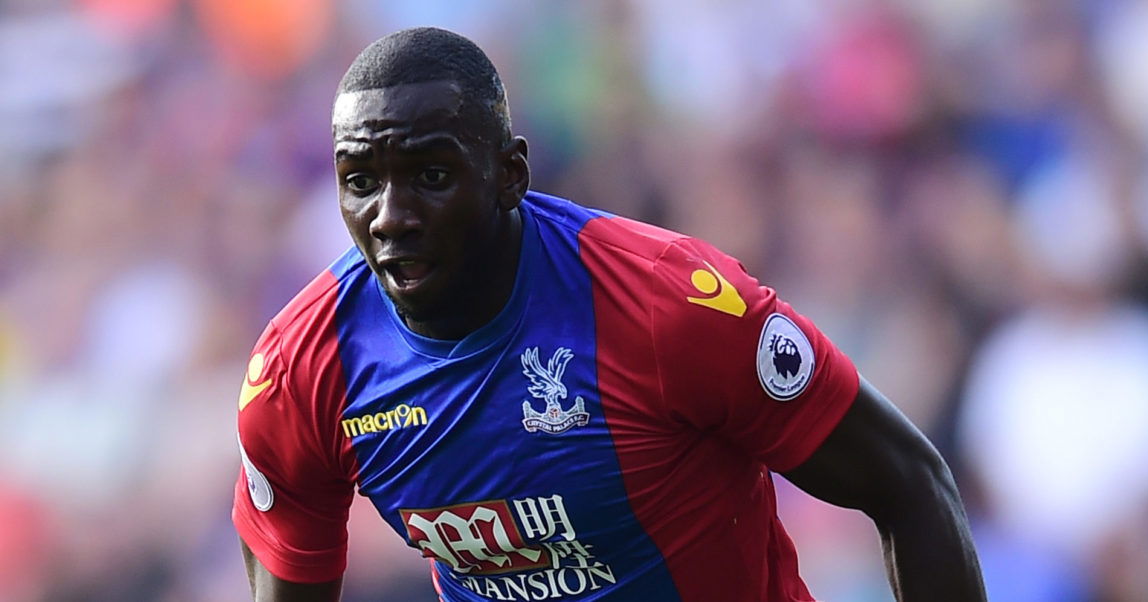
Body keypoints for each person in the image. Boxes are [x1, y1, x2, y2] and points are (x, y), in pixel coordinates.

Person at [233, 27, 985, 602]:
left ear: (510, 175)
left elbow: (911, 483)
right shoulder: (302, 372)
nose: (391, 217)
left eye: (431, 175)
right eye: (360, 181)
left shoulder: (669, 306)